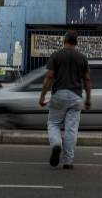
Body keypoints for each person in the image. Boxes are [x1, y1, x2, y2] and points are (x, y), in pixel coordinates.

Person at [39, 30, 91, 169]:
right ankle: (68, 161)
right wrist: (88, 99)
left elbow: (49, 77)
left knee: (53, 123)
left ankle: (56, 144)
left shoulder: (56, 55)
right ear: (77, 42)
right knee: (71, 130)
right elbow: (87, 79)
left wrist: (42, 96)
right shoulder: (82, 58)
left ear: (64, 40)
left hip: (59, 95)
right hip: (76, 96)